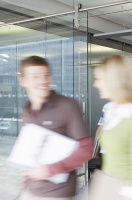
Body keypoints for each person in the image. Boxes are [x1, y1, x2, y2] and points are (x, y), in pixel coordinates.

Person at [18, 56, 93, 200]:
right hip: (30, 190)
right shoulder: (26, 111)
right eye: (35, 77)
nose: (43, 81)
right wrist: (26, 182)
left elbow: (87, 148)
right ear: (23, 81)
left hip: (57, 194)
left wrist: (50, 169)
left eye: (46, 75)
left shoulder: (68, 106)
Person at [93, 54, 132, 198]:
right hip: (110, 186)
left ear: (114, 80)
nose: (96, 84)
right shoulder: (110, 109)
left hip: (127, 192)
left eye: (99, 79)